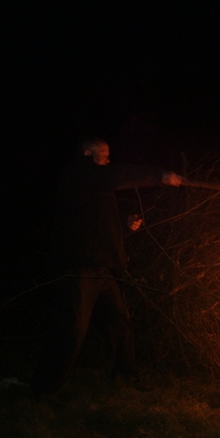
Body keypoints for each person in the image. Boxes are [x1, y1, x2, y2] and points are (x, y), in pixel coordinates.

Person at [32, 136, 182, 395]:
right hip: (79, 268)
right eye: (104, 154)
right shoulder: (78, 172)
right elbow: (115, 176)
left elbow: (99, 224)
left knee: (118, 325)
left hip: (101, 270)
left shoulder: (95, 187)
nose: (109, 160)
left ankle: (128, 379)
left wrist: (126, 225)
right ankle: (44, 389)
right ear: (87, 154)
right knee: (72, 331)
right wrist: (160, 175)